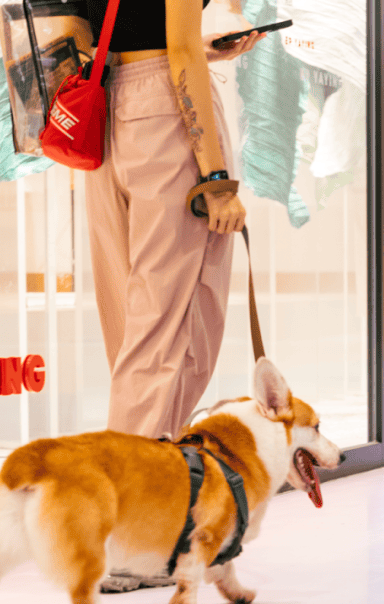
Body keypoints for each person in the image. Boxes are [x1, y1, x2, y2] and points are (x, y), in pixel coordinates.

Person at [85, 0, 262, 440]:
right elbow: (179, 52)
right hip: (165, 112)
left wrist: (191, 47)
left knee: (133, 331)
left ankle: (142, 471)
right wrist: (216, 180)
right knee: (175, 329)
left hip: (103, 112)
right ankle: (135, 488)